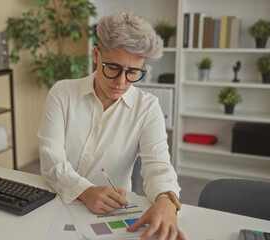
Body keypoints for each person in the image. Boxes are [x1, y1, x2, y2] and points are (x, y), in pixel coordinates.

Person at [38, 11, 185, 240]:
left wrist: (167, 200)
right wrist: (85, 191)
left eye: (133, 72)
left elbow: (158, 165)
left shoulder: (147, 108)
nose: (121, 82)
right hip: (54, 203)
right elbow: (51, 159)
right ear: (96, 54)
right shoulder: (62, 93)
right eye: (113, 68)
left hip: (109, 218)